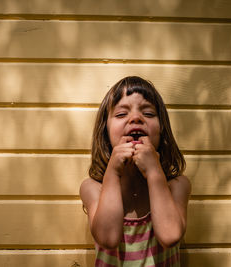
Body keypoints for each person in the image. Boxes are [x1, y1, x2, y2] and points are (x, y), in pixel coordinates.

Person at [80, 76, 191, 267]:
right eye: (122, 114)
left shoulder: (177, 186)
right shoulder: (92, 189)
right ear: (105, 132)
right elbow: (108, 239)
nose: (136, 118)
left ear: (162, 129)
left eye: (148, 113)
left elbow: (170, 235)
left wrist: (154, 172)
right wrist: (113, 172)